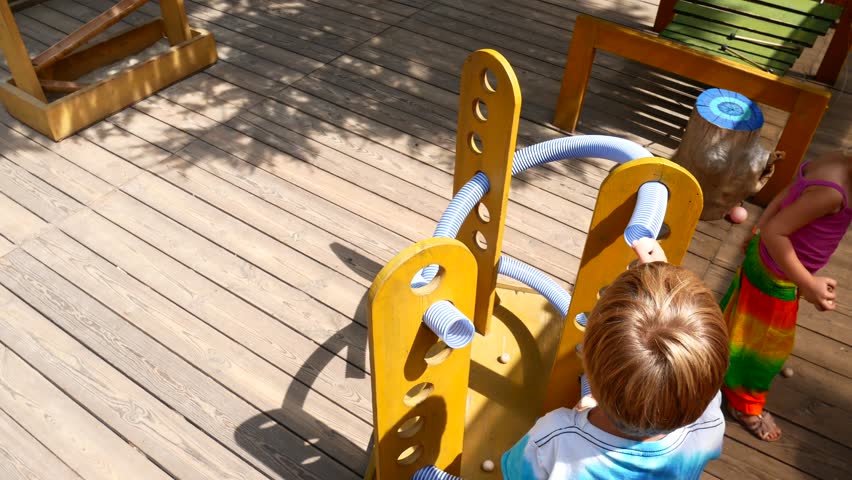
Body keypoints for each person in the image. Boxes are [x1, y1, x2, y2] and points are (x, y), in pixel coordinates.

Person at [502, 238, 729, 479]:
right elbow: (683, 370)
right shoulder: (707, 422)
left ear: (586, 358)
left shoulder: (555, 439)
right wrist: (664, 280)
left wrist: (581, 422)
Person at [722, 148, 852, 442]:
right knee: (767, 350)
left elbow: (787, 195)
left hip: (763, 259)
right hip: (776, 277)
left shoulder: (835, 160)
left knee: (737, 315)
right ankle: (745, 406)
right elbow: (776, 233)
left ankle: (715, 354)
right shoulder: (833, 194)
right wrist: (807, 284)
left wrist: (757, 228)